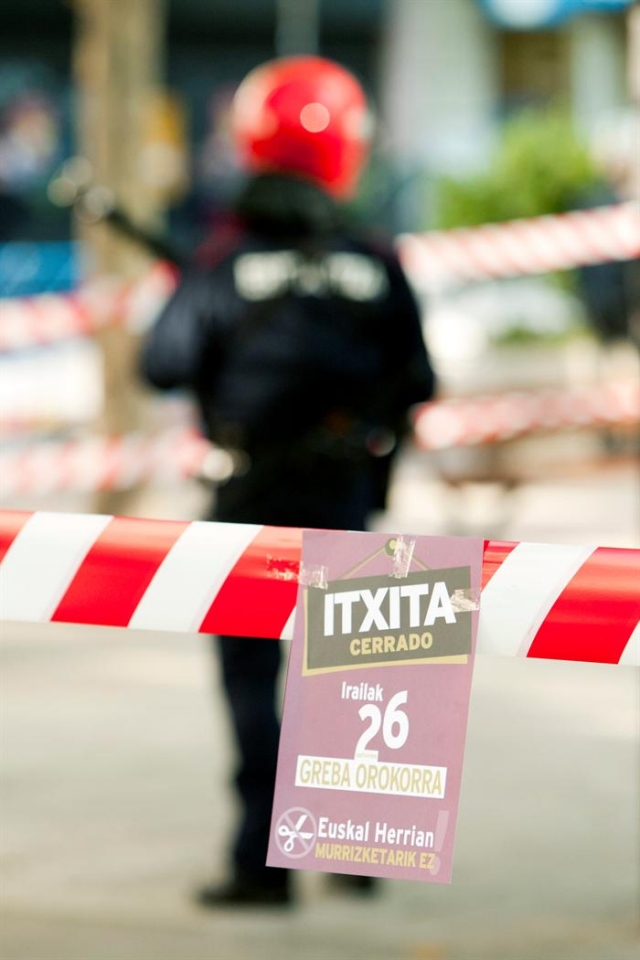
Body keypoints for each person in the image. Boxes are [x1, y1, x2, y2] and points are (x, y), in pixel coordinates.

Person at [140, 55, 436, 908]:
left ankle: (258, 868)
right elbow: (418, 377)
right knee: (361, 679)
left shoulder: (223, 258)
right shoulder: (376, 259)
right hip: (346, 494)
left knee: (249, 683)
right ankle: (359, 853)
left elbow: (163, 363)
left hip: (248, 501)